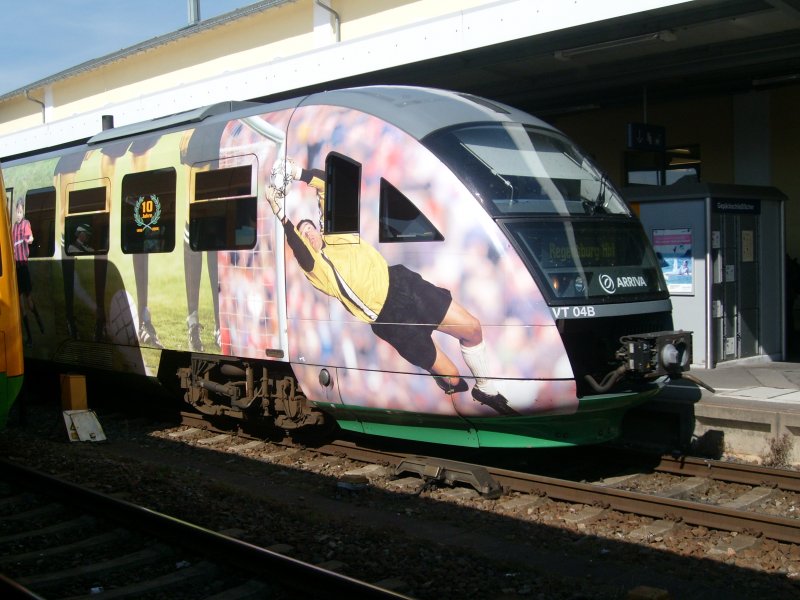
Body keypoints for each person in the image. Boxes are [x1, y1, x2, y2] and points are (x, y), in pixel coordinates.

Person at [266, 160, 516, 415]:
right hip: (389, 319)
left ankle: (486, 388)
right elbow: (300, 250)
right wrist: (283, 217)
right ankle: (451, 391)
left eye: (309, 227)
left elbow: (332, 187)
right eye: (302, 233)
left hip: (402, 284)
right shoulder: (317, 271)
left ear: (318, 228)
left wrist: (298, 173)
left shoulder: (337, 236)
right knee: (452, 378)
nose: (307, 234)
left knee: (472, 328)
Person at [11, 199, 44, 345]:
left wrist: (29, 239)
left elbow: (30, 238)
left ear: (23, 212)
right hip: (15, 269)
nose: (18, 215)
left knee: (28, 301)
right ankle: (29, 337)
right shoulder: (13, 228)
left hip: (23, 267)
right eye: (16, 212)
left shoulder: (25, 224)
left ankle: (39, 322)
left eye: (20, 212)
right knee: (20, 304)